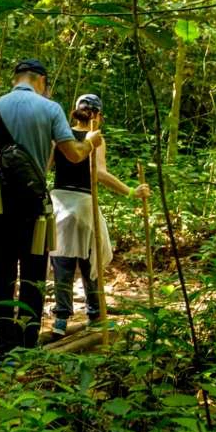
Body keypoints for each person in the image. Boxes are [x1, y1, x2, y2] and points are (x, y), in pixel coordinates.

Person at [0, 59, 103, 360]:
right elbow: (73, 155)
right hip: (33, 202)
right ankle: (26, 341)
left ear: (15, 79)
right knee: (33, 271)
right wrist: (91, 143)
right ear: (41, 81)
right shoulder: (50, 108)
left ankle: (3, 341)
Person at [49, 94, 150, 338]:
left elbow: (47, 165)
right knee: (90, 259)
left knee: (62, 260)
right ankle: (94, 314)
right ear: (97, 115)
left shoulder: (59, 135)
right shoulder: (96, 139)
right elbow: (100, 174)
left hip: (59, 202)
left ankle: (60, 320)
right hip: (83, 204)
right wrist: (130, 191)